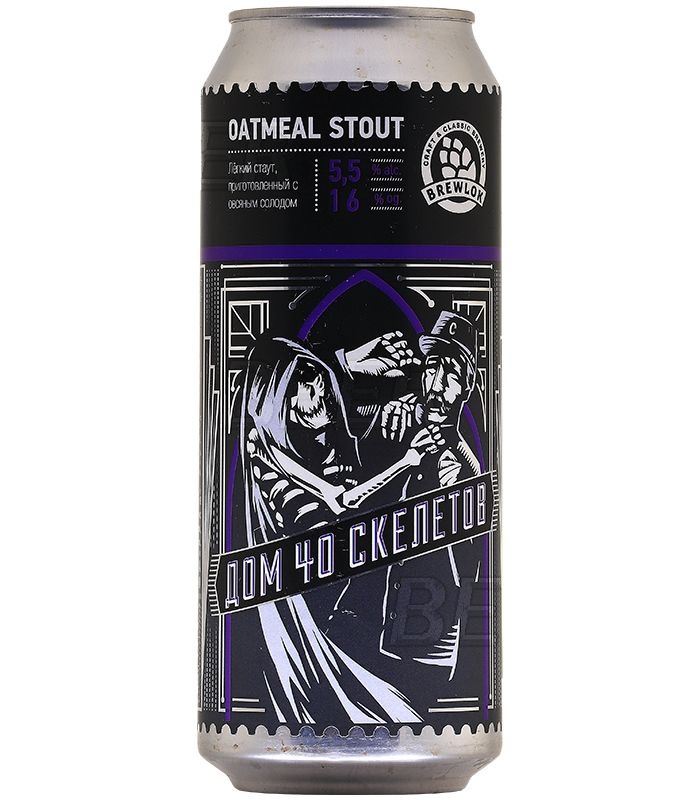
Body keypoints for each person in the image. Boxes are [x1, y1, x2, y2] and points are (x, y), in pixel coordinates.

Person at [239, 335, 443, 725]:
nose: (322, 393)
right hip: (315, 612)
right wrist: (407, 461)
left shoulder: (307, 444)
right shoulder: (263, 449)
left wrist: (348, 361)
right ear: (281, 398)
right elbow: (342, 501)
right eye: (307, 385)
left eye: (320, 380)